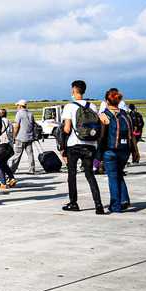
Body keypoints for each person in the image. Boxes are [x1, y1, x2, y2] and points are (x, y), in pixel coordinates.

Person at [61, 79, 104, 214]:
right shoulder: (92, 106)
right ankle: (99, 205)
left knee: (72, 174)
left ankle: (73, 203)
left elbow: (67, 129)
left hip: (74, 144)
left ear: (74, 90)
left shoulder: (69, 106)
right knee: (90, 174)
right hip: (90, 144)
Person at [100, 88, 132, 212]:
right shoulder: (125, 114)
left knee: (113, 177)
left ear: (107, 101)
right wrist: (135, 151)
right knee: (119, 173)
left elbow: (102, 136)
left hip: (110, 150)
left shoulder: (104, 115)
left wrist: (98, 154)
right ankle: (124, 199)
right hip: (125, 150)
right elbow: (132, 135)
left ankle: (115, 205)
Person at [10, 99, 39, 174]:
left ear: (20, 106)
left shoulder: (19, 113)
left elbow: (17, 126)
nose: (17, 107)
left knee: (17, 154)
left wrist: (14, 136)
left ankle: (12, 170)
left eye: (17, 105)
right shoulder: (30, 113)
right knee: (30, 154)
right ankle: (32, 169)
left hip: (20, 137)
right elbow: (33, 124)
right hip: (29, 137)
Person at [0, 106, 16, 191]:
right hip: (9, 146)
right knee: (4, 163)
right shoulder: (9, 122)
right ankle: (12, 178)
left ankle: (3, 183)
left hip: (0, 145)